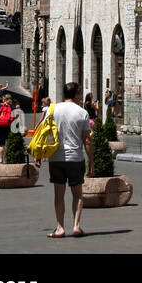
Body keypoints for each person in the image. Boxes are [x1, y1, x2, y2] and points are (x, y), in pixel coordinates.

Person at [43, 80, 94, 238]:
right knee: (77, 194)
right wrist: (91, 160)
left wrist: (39, 155)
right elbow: (87, 140)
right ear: (77, 94)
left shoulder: (53, 110)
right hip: (75, 158)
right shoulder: (82, 112)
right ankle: (76, 226)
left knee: (59, 194)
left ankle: (60, 228)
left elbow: (45, 134)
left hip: (56, 157)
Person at [0, 92, 15, 163]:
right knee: (9, 142)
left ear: (4, 99)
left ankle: (1, 159)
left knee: (1, 143)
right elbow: (16, 116)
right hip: (9, 126)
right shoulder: (12, 107)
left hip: (0, 126)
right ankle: (8, 158)